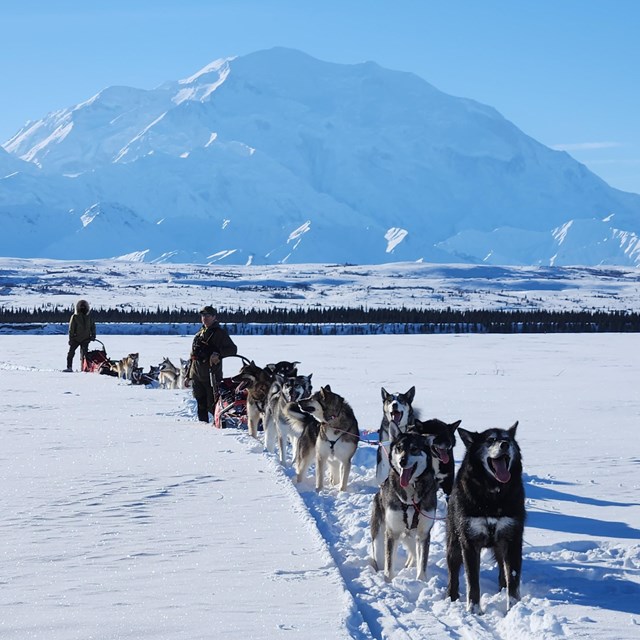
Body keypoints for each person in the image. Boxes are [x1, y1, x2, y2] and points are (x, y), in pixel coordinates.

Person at [189, 306, 237, 423]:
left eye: (207, 315)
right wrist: (188, 375)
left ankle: (217, 428)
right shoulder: (199, 333)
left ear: (214, 317)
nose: (204, 318)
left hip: (211, 375)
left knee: (213, 405)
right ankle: (203, 427)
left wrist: (218, 354)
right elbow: (192, 356)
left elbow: (232, 349)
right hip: (196, 374)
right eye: (203, 316)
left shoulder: (220, 333)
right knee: (200, 403)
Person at [66, 299, 96, 372]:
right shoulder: (75, 317)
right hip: (75, 339)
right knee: (70, 354)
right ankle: (69, 367)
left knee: (84, 356)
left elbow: (93, 327)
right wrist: (71, 339)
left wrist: (93, 336)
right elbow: (71, 329)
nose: (82, 308)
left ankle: (84, 368)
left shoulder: (89, 317)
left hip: (86, 339)